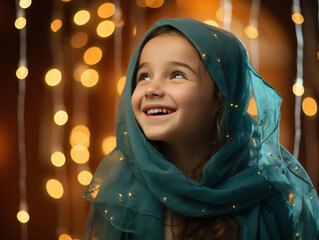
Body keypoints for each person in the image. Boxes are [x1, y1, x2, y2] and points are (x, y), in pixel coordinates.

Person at [83, 18, 319, 240]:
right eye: (143, 76)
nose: (151, 89)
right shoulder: (122, 193)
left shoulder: (269, 196)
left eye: (177, 75)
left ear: (221, 95)